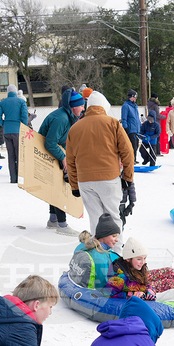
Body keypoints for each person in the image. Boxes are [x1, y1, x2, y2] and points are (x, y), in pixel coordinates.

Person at [66, 92, 134, 237]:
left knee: (95, 219)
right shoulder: (113, 123)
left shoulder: (75, 128)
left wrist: (74, 185)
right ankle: (116, 252)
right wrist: (127, 177)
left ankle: (98, 253)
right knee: (114, 217)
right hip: (109, 179)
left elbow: (70, 160)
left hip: (85, 181)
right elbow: (128, 152)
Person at [39, 89, 86, 236]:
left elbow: (62, 140)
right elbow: (50, 143)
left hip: (54, 154)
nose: (83, 108)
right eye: (81, 106)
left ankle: (53, 220)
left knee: (56, 185)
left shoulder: (68, 116)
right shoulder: (62, 118)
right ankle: (62, 224)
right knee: (59, 186)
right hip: (47, 154)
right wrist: (64, 158)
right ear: (73, 107)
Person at [67, 214, 120, 290]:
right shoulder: (102, 257)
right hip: (92, 292)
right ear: (103, 236)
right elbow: (102, 286)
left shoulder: (82, 246)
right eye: (114, 236)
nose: (117, 240)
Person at [0, 84, 29, 184]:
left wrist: (4, 124)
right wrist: (23, 126)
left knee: (11, 155)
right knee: (19, 154)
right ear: (15, 92)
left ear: (8, 92)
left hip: (7, 131)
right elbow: (25, 116)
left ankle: (13, 178)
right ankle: (20, 177)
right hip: (18, 131)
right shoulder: (21, 102)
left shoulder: (2, 102)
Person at [121, 88, 141, 163]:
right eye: (135, 97)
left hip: (136, 129)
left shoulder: (135, 106)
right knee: (132, 146)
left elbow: (136, 118)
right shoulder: (126, 106)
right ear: (131, 97)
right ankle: (131, 159)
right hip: (130, 129)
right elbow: (124, 118)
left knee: (136, 146)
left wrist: (139, 126)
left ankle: (134, 158)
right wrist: (125, 127)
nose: (136, 98)